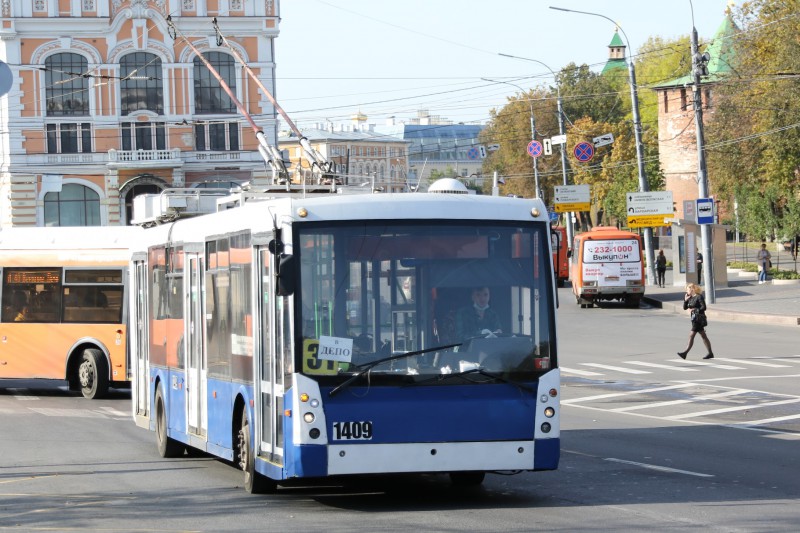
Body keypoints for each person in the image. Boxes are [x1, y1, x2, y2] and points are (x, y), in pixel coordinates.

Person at [677, 283, 713, 360]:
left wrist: (695, 309)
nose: (686, 291)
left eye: (687, 289)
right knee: (703, 336)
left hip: (699, 319)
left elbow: (704, 307)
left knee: (691, 335)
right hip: (694, 319)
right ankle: (710, 353)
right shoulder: (690, 297)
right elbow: (685, 308)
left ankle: (685, 353)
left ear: (691, 289)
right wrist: (685, 300)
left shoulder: (699, 297)